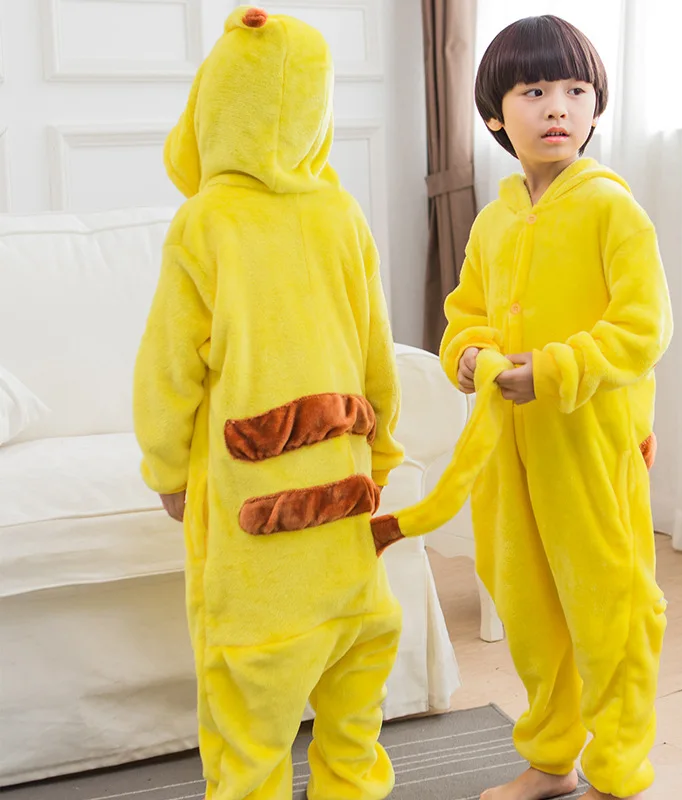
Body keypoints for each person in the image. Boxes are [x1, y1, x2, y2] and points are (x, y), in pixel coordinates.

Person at [132, 7, 403, 800]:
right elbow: (377, 351)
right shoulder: (341, 215)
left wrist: (165, 468)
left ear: (213, 106)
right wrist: (383, 452)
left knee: (249, 702)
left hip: (252, 519)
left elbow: (168, 368)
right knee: (355, 689)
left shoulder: (206, 222)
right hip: (345, 502)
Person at [440, 15, 674, 800]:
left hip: (590, 448)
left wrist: (556, 368)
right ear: (494, 116)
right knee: (530, 611)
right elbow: (467, 312)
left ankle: (617, 773)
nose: (557, 108)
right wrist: (467, 353)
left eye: (576, 91)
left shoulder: (612, 210)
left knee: (612, 612)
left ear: (596, 106)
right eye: (534, 91)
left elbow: (644, 327)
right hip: (508, 453)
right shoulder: (494, 219)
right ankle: (550, 762)